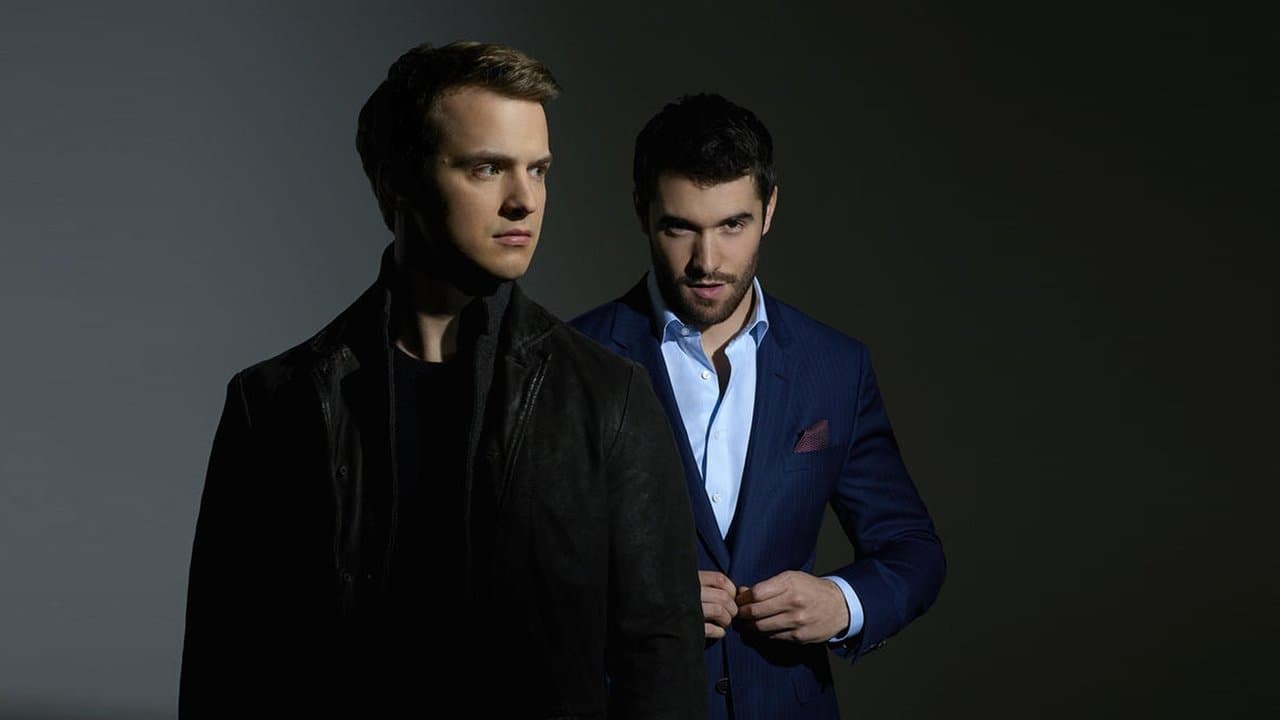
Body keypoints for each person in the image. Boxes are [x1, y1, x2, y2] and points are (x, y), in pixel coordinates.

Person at [179, 42, 704, 719]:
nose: (525, 201)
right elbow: (222, 669)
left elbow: (661, 666)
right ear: (396, 182)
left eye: (539, 170)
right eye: (487, 168)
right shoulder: (274, 405)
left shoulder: (610, 399)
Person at [571, 93, 946, 719]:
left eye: (732, 226)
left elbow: (913, 548)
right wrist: (635, 604)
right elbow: (509, 574)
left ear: (769, 210)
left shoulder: (835, 368)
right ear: (642, 211)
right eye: (679, 227)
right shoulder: (572, 361)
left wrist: (843, 602)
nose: (707, 262)